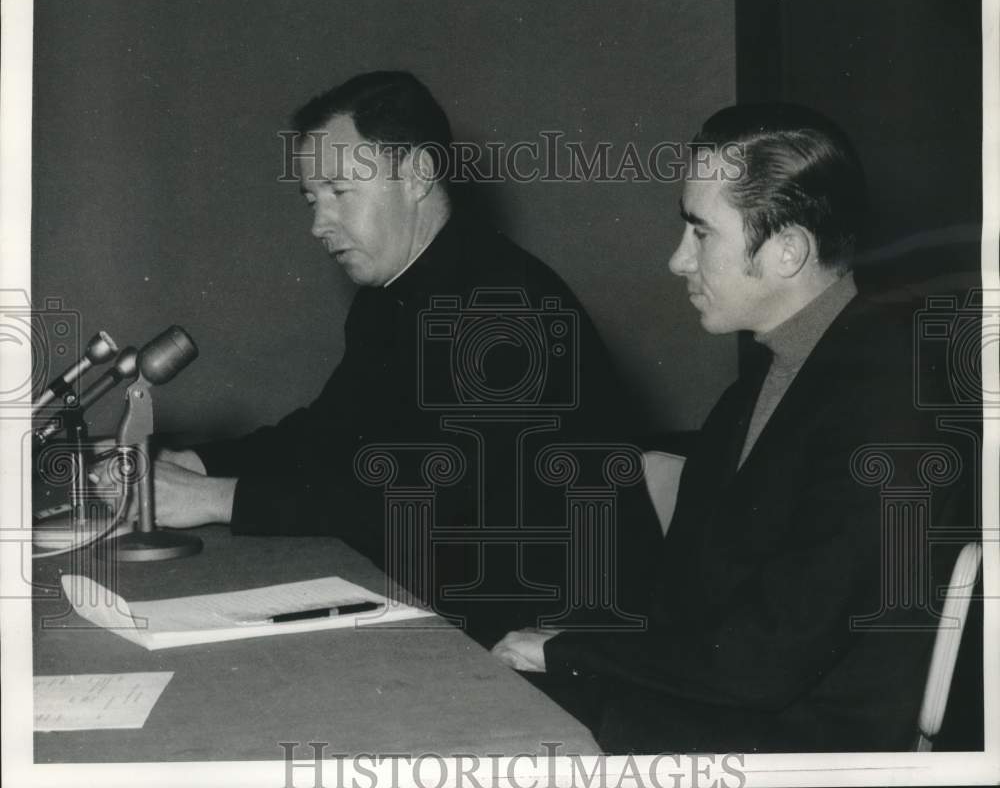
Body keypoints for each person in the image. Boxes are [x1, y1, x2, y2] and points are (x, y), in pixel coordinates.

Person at [113, 71, 661, 646]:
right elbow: (325, 435)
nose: (319, 225)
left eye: (339, 191)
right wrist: (191, 463)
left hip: (553, 635)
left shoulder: (506, 305)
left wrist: (217, 499)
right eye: (311, 198)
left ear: (418, 175)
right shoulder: (392, 296)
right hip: (453, 604)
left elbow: (436, 501)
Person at [491, 103, 976, 752]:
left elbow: (765, 660)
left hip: (808, 747)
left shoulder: (890, 402)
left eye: (700, 233)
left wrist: (570, 652)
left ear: (787, 251)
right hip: (731, 709)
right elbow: (688, 609)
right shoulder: (764, 383)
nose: (677, 261)